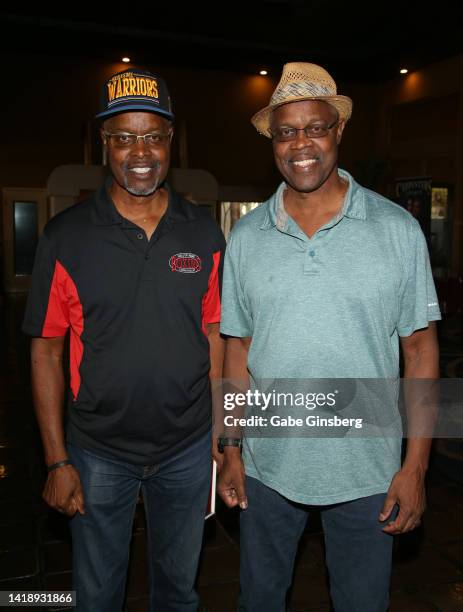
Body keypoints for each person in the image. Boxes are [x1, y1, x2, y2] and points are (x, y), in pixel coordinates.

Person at [217, 62, 440, 612]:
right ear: (273, 140)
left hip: (368, 469)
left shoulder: (395, 230)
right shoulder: (247, 237)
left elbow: (420, 350)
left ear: (338, 130)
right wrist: (229, 448)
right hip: (269, 467)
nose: (301, 144)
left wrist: (415, 468)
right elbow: (236, 349)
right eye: (286, 131)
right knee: (259, 600)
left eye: (315, 127)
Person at [23, 68, 225, 612]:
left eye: (153, 136)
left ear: (171, 144)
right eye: (124, 137)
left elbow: (215, 335)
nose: (141, 151)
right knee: (96, 595)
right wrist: (56, 460)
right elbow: (45, 349)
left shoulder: (202, 232)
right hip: (97, 453)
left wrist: (223, 434)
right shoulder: (66, 236)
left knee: (178, 592)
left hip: (186, 448)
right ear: (103, 145)